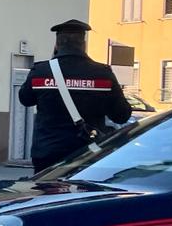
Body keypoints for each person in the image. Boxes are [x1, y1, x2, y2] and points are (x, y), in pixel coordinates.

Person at [16, 19, 133, 174]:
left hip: (48, 152)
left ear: (57, 45)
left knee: (46, 196)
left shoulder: (41, 71)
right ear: (83, 45)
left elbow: (25, 99)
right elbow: (122, 115)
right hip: (87, 153)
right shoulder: (102, 73)